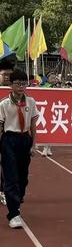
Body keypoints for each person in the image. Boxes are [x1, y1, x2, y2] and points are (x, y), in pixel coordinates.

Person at [0, 69, 39, 229]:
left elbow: (33, 124)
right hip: (9, 139)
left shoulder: (30, 102)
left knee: (23, 177)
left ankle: (17, 197)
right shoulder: (4, 104)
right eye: (18, 83)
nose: (21, 86)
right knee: (11, 177)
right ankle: (14, 214)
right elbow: (0, 125)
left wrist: (33, 144)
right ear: (11, 85)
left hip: (24, 139)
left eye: (24, 83)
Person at [0, 63, 14, 207]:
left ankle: (3, 191)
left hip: (7, 135)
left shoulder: (15, 93)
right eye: (4, 75)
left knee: (6, 165)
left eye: (10, 76)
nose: (7, 78)